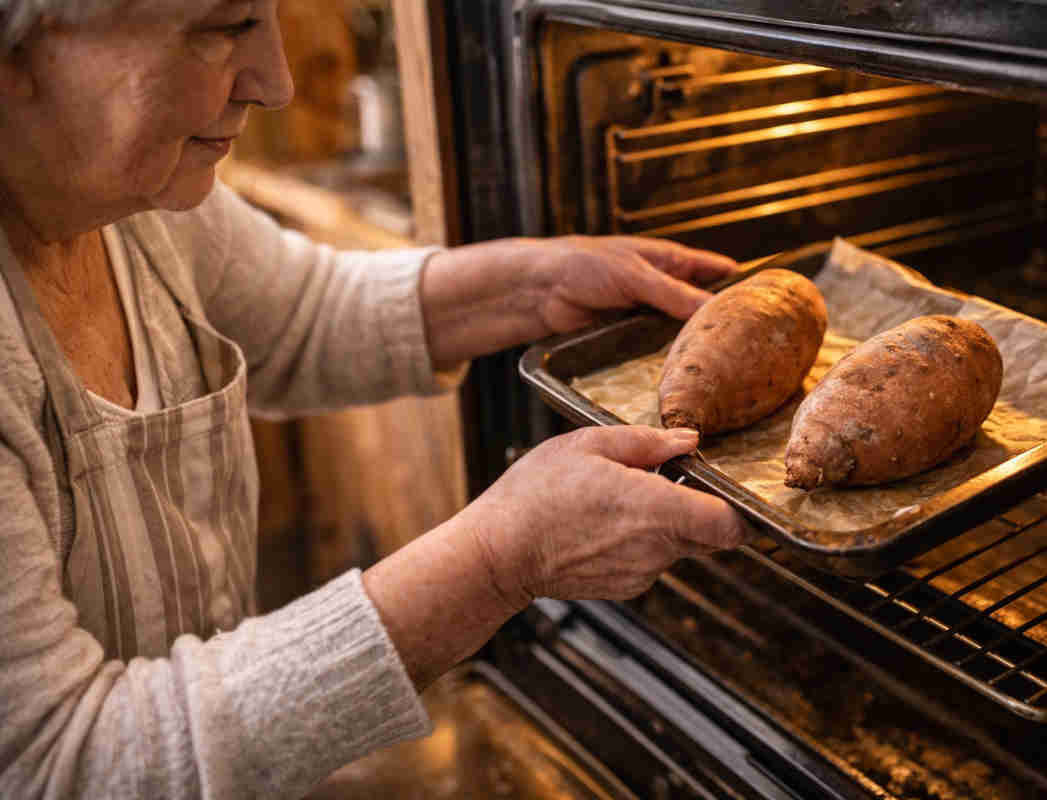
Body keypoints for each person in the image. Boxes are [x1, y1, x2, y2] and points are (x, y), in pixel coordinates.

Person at [0, 1, 753, 798]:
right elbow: (61, 765)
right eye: (222, 27)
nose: (278, 83)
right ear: (15, 54)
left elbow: (303, 315)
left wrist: (539, 283)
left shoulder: (127, 204)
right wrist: (496, 563)